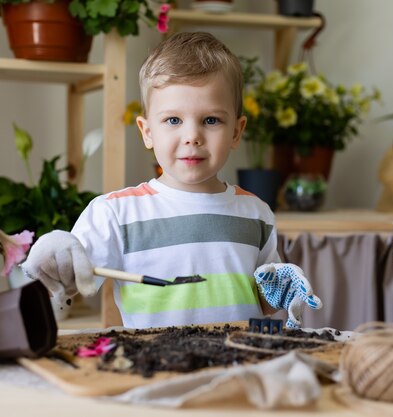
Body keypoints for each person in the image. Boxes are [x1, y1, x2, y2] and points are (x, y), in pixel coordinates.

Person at [22, 32, 322, 329]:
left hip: (238, 367)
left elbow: (263, 303)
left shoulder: (257, 213)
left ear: (236, 131)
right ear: (147, 131)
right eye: (173, 120)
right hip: (156, 370)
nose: (192, 136)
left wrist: (282, 291)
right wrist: (55, 253)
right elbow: (65, 282)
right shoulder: (115, 214)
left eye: (211, 120)